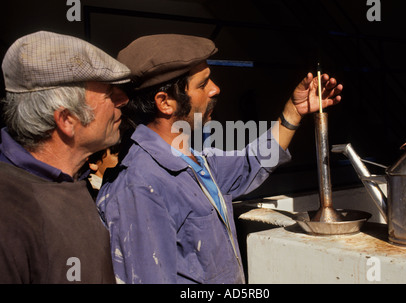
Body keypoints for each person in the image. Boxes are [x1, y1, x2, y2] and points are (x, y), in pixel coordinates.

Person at [97, 34, 343, 284]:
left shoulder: (193, 158)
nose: (216, 88)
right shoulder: (140, 186)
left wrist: (294, 110)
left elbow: (252, 161)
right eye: (202, 85)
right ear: (165, 102)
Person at [0, 31, 131, 283]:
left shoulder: (71, 180)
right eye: (109, 94)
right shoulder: (9, 209)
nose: (123, 100)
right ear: (67, 120)